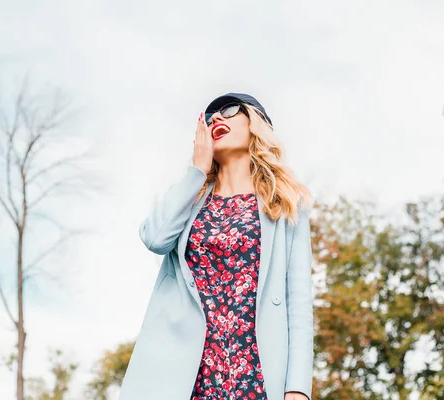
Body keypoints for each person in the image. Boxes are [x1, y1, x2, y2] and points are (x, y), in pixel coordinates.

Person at [119, 93, 314, 400]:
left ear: (256, 124)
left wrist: (298, 389)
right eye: (208, 118)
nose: (216, 119)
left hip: (257, 377)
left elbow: (299, 303)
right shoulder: (191, 198)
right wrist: (196, 171)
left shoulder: (286, 202)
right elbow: (155, 239)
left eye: (229, 110)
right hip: (187, 379)